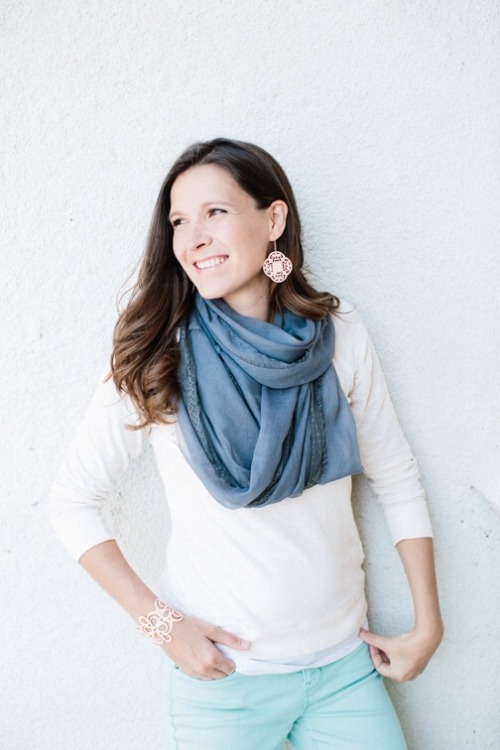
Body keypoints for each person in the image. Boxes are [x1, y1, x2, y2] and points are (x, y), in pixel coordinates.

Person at [47, 137, 443, 749]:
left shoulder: (338, 335)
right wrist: (161, 626)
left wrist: (427, 624)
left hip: (344, 670)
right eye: (179, 221)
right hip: (224, 688)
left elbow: (396, 477)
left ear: (273, 220)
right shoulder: (159, 357)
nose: (193, 237)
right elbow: (71, 501)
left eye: (216, 213)